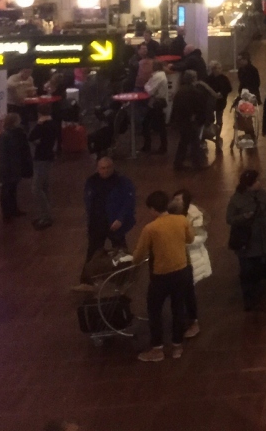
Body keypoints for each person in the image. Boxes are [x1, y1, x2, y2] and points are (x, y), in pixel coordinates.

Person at [132, 190, 194, 362]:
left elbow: (139, 255)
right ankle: (177, 347)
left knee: (154, 311)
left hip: (161, 276)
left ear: (153, 209)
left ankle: (157, 349)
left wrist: (133, 260)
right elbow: (190, 239)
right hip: (182, 271)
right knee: (178, 308)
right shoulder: (181, 220)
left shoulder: (150, 228)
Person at [76, 157, 137, 290]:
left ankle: (124, 279)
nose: (105, 171)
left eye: (108, 167)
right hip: (97, 224)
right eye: (102, 168)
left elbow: (129, 202)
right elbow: (88, 200)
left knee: (121, 253)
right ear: (98, 169)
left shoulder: (122, 182)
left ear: (112, 167)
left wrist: (120, 219)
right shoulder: (91, 181)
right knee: (92, 252)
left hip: (114, 224)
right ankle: (87, 282)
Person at [226, 170, 266, 311]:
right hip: (246, 241)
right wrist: (244, 217)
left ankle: (257, 293)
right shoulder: (236, 200)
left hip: (261, 239)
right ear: (249, 184)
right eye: (256, 181)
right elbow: (229, 219)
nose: (259, 183)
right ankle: (248, 299)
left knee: (258, 268)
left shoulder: (262, 196)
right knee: (246, 271)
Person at [168, 188, 209, 339]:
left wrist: (183, 242)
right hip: (177, 259)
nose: (176, 202)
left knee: (188, 293)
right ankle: (184, 321)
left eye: (179, 200)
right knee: (182, 293)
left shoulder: (195, 216)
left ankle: (192, 322)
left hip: (191, 258)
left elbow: (201, 237)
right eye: (175, 199)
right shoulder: (171, 214)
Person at [28, 105, 59, 230]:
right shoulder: (53, 124)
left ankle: (46, 216)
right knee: (44, 187)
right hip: (49, 156)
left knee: (36, 188)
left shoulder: (43, 125)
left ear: (39, 114)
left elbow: (31, 137)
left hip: (41, 158)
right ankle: (45, 215)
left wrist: (38, 124)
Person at [0, 113, 32, 220]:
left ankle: (12, 210)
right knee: (8, 189)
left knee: (11, 189)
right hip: (10, 166)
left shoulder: (7, 135)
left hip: (10, 166)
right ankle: (7, 212)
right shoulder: (9, 135)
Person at [170, 71, 207, 171]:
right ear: (194, 79)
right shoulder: (195, 92)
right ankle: (197, 164)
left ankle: (178, 163)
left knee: (184, 141)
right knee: (195, 142)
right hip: (190, 121)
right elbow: (200, 108)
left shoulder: (180, 91)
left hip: (180, 120)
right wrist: (199, 119)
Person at [141, 63, 169, 155]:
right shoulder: (161, 75)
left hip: (156, 103)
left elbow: (150, 90)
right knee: (161, 126)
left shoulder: (157, 76)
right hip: (159, 103)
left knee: (147, 124)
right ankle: (163, 146)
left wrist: (145, 85)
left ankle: (149, 145)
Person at [205, 61, 233, 149]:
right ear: (213, 70)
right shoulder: (209, 79)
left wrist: (222, 93)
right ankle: (211, 133)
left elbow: (229, 88)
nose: (220, 70)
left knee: (219, 119)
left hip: (220, 102)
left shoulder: (224, 78)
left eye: (220, 68)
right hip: (211, 102)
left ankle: (217, 135)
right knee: (210, 119)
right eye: (218, 68)